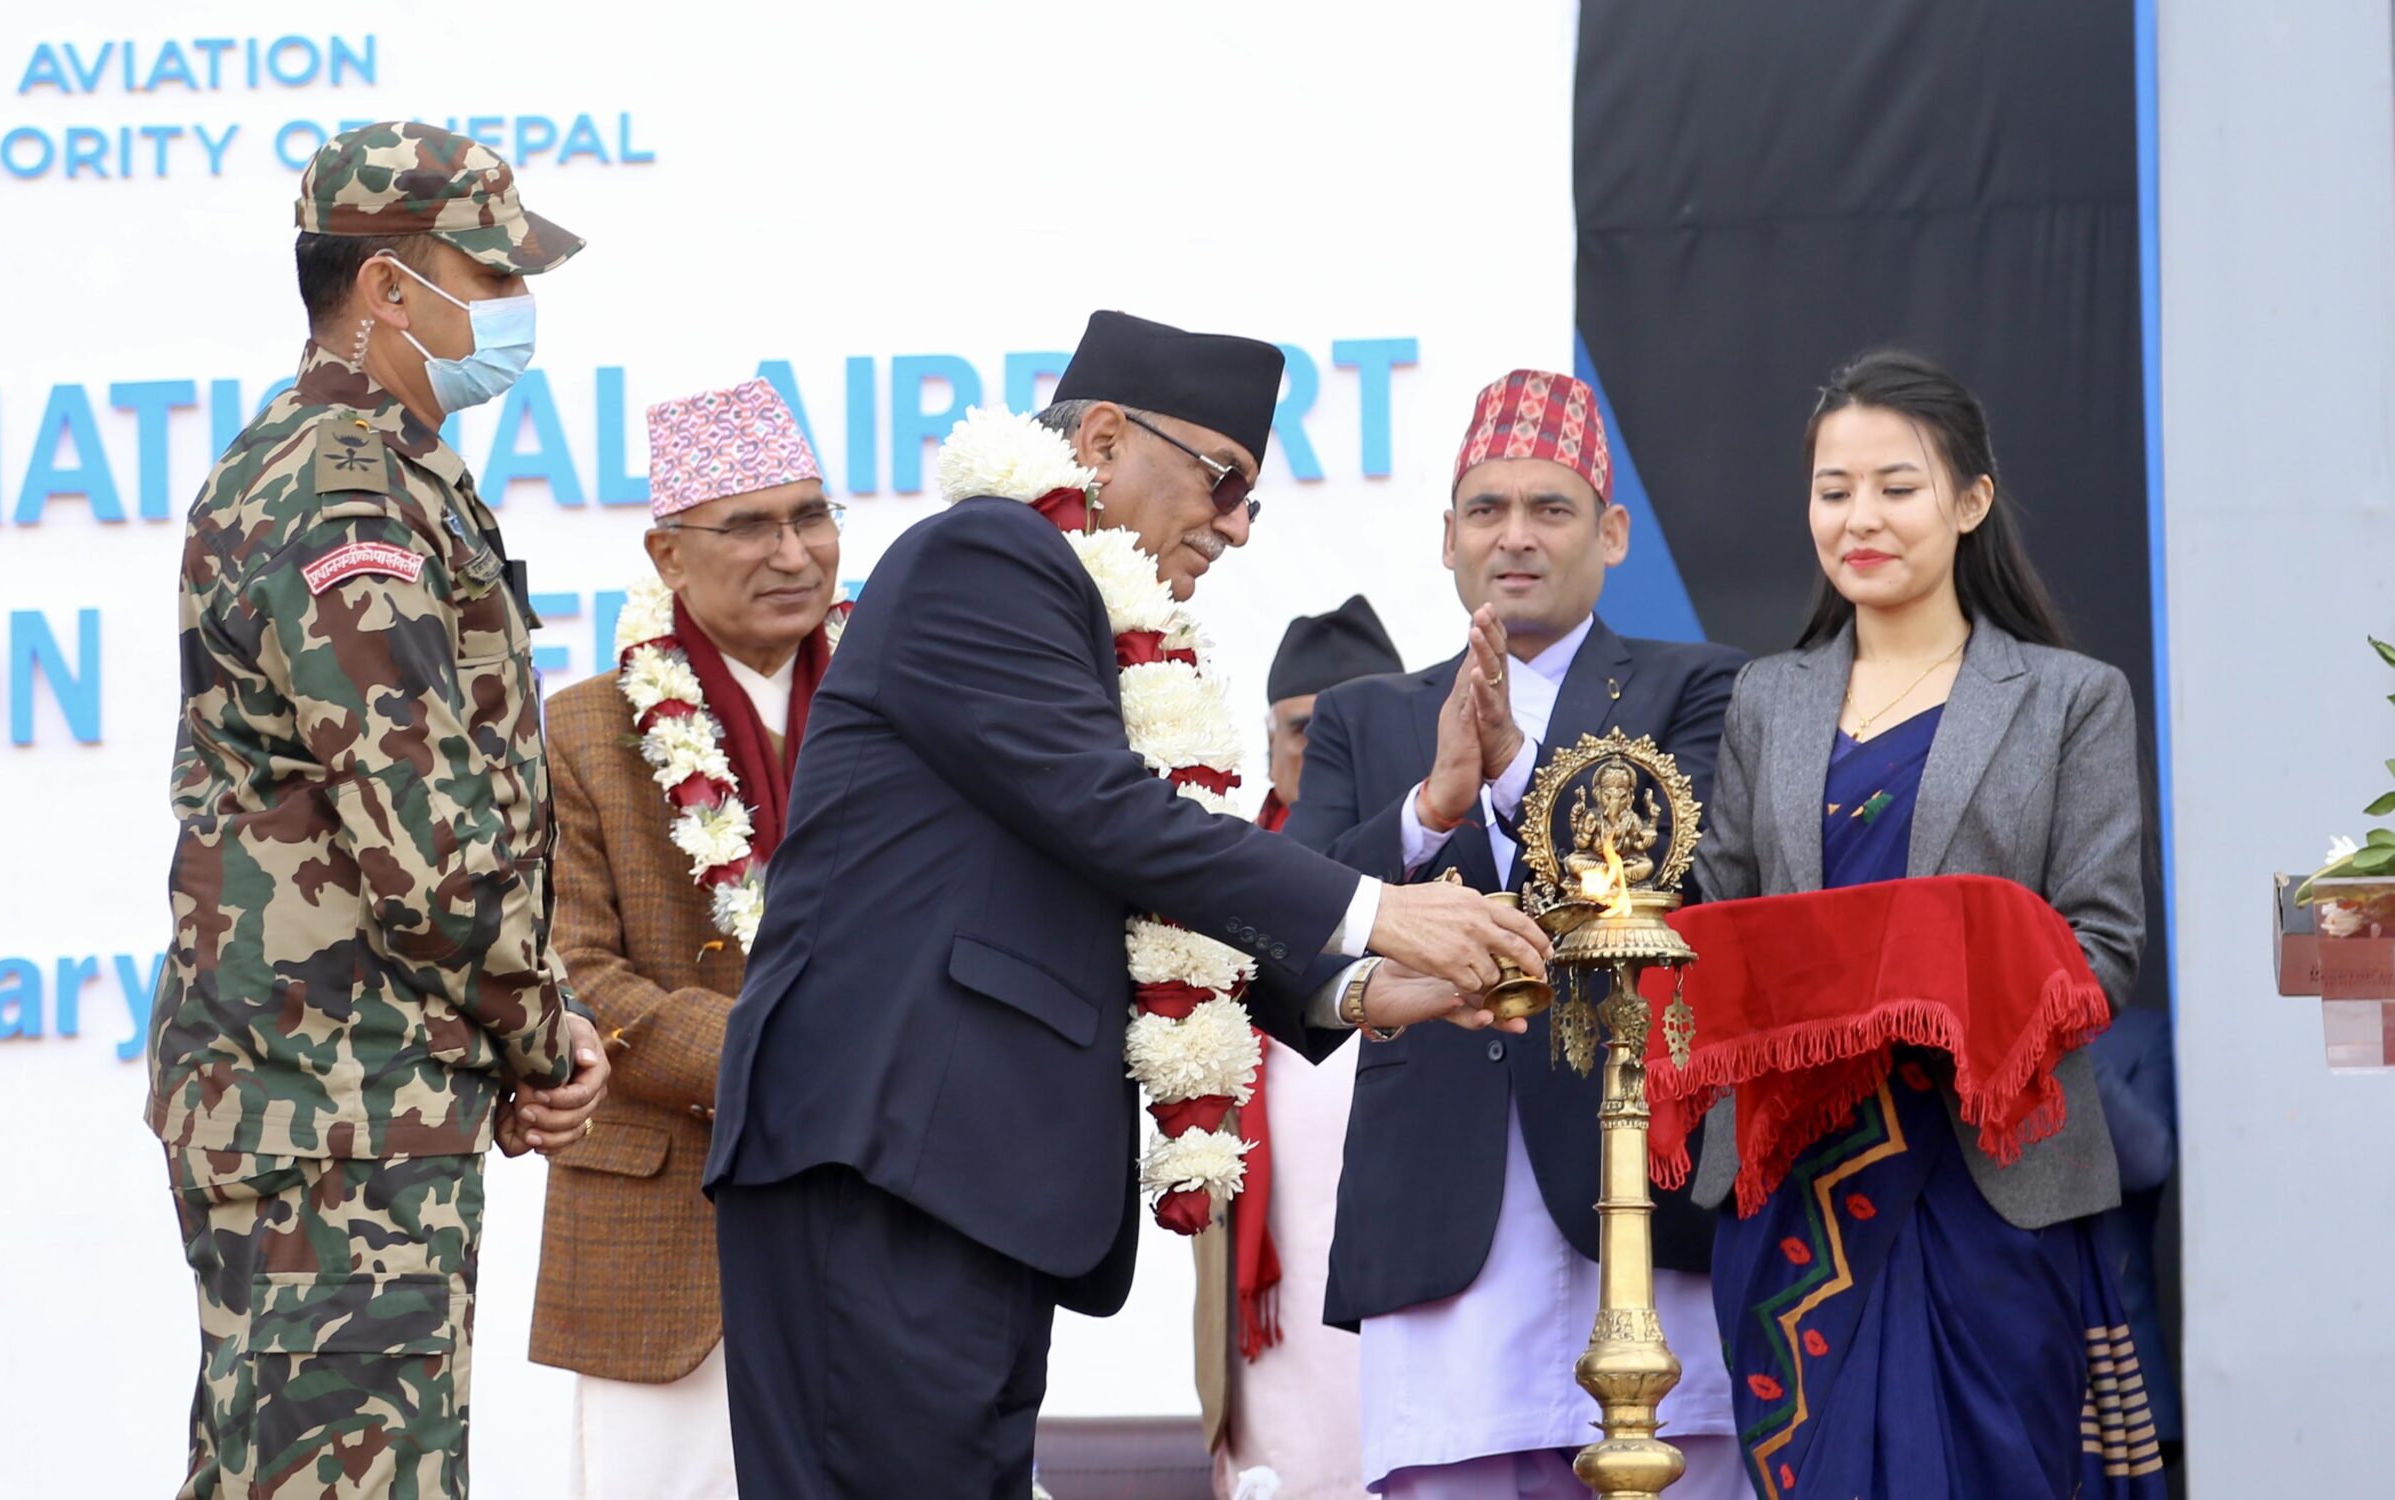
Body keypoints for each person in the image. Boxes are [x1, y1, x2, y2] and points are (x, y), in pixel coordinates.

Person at [703, 310, 1553, 1498]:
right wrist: (1378, 912)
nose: (1237, 526)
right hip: (884, 1147)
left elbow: (1126, 873)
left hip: (961, 1173)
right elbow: (1108, 815)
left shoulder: (1085, 612)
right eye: (1223, 481)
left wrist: (1361, 987)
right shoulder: (986, 556)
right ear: (1102, 439)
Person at [145, 122, 609, 1500]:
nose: (515, 306)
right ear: (388, 290)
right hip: (334, 1106)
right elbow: (427, 834)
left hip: (348, 1096)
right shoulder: (344, 491)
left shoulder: (374, 468)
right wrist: (542, 1037)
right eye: (491, 274)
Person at [1690, 349, 2165, 1496]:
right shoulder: (1765, 699)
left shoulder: (2070, 698)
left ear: (1969, 502)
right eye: (1833, 490)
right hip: (1794, 1184)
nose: (1859, 518)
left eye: (1896, 487)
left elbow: (2102, 949)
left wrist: (1953, 980)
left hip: (1986, 1180)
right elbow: (1716, 921)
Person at [1287, 369, 1749, 1498]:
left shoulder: (1702, 688)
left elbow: (1685, 881)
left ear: (1612, 533)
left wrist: (1513, 776)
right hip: (1439, 1228)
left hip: (1638, 1200)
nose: (1516, 536)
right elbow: (1290, 935)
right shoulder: (1364, 717)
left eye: (1551, 508)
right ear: (1448, 536)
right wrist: (1428, 807)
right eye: (1487, 509)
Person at [528, 380, 846, 1500]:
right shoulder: (581, 730)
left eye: (811, 517)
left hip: (882, 1207)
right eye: (750, 526)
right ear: (667, 555)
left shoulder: (902, 706)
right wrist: (787, 1058)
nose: (793, 553)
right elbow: (574, 973)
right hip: (663, 1224)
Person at [1196, 596, 1405, 1498]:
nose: (1323, 752)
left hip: (1417, 1248)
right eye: (1303, 730)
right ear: (1270, 744)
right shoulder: (1218, 886)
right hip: (1274, 1278)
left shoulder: (1452, 877)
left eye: (1348, 730)